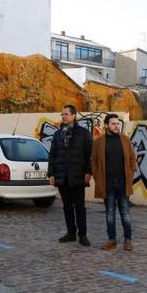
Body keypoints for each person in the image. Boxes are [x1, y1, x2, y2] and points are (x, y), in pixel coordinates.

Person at [91, 113, 137, 251]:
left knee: (125, 213)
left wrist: (130, 171)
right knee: (110, 213)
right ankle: (112, 240)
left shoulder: (125, 140)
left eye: (117, 123)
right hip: (107, 183)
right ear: (106, 125)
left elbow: (132, 158)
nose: (116, 126)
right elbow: (93, 161)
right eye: (113, 123)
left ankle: (128, 240)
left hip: (123, 182)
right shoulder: (99, 142)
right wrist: (97, 177)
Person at [48, 105, 93, 246]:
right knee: (67, 207)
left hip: (78, 176)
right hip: (62, 177)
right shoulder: (57, 134)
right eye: (62, 114)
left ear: (74, 115)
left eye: (66, 114)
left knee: (79, 207)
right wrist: (51, 174)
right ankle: (71, 233)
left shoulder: (83, 133)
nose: (64, 117)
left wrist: (89, 172)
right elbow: (52, 155)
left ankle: (83, 235)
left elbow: (89, 155)